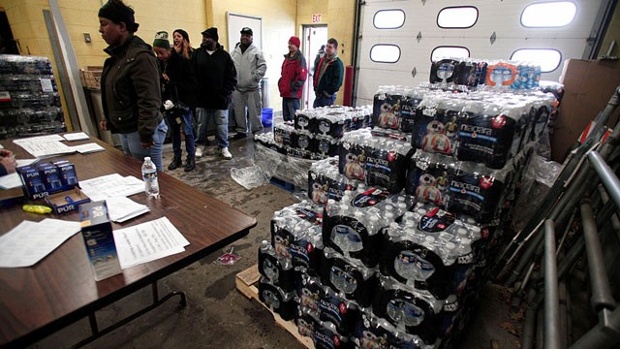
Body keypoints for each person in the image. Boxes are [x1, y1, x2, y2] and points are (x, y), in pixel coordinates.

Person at [97, 0, 168, 171]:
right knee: (136, 175)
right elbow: (118, 92)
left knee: (152, 179)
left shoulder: (140, 57)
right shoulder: (120, 56)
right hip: (128, 129)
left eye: (104, 24)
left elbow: (149, 99)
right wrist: (110, 118)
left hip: (142, 132)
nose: (100, 30)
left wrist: (145, 133)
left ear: (121, 26)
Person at [153, 31, 197, 172]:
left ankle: (191, 157)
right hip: (168, 104)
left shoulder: (181, 62)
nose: (159, 56)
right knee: (174, 132)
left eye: (161, 52)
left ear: (168, 49)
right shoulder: (160, 64)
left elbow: (192, 85)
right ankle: (177, 157)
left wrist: (172, 84)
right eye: (156, 53)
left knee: (188, 131)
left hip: (183, 103)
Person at [192, 27, 236, 159]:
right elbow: (191, 75)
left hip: (220, 99)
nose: (204, 39)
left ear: (215, 40)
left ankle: (223, 146)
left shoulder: (224, 56)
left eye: (207, 37)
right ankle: (200, 145)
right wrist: (195, 92)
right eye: (203, 37)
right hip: (202, 99)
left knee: (222, 125)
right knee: (201, 125)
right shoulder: (197, 54)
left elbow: (231, 77)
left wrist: (225, 93)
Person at [231, 27, 267, 139]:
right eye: (243, 35)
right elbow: (230, 68)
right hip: (238, 89)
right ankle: (241, 131)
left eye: (247, 35)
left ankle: (257, 132)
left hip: (252, 89)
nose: (245, 37)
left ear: (251, 37)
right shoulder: (234, 52)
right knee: (239, 112)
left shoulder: (257, 51)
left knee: (255, 112)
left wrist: (254, 78)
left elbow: (263, 66)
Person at [278, 36, 307, 122]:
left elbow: (301, 77)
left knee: (293, 118)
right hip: (285, 92)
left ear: (297, 46)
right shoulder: (287, 58)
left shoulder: (300, 59)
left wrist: (292, 87)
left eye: (292, 44)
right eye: (289, 43)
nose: (289, 45)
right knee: (286, 118)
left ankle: (293, 135)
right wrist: (281, 83)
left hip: (293, 94)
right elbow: (283, 73)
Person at [313, 38, 344, 108]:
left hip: (327, 97)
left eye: (330, 47)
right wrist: (315, 87)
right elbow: (316, 74)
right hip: (318, 94)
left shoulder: (337, 64)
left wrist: (328, 93)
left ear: (335, 49)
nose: (327, 48)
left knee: (324, 117)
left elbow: (338, 82)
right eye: (327, 46)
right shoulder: (321, 61)